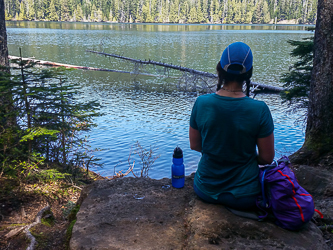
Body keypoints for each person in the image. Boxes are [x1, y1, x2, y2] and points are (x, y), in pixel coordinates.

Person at [189, 42, 275, 210]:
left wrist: (220, 152)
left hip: (205, 189)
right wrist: (242, 157)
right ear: (248, 74)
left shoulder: (201, 103)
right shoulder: (260, 109)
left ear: (219, 69)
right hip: (245, 196)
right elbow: (267, 158)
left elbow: (195, 145)